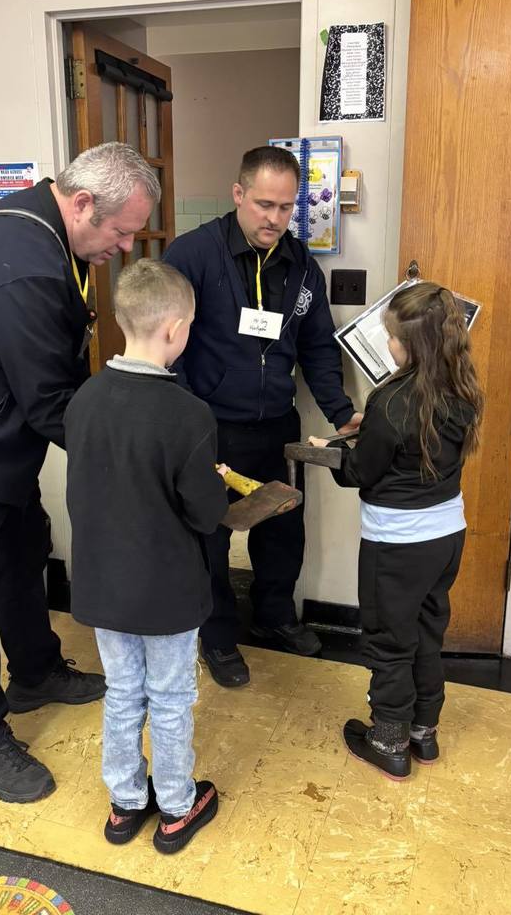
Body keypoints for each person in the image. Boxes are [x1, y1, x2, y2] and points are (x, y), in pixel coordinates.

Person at [0, 142, 159, 804]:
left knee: (22, 551)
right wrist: (134, 457)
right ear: (82, 203)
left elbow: (51, 379)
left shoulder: (45, 236)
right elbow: (50, 401)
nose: (125, 248)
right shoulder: (24, 264)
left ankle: (36, 672)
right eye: (121, 231)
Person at [163, 145, 362, 688]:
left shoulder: (301, 266)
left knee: (282, 528)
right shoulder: (192, 255)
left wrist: (341, 413)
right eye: (264, 204)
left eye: (285, 207)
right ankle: (218, 636)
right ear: (238, 194)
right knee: (209, 536)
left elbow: (318, 347)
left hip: (276, 424)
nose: (274, 218)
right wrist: (185, 420)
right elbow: (167, 344)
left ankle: (274, 616)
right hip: (210, 429)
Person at [65, 259, 228, 854]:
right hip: (167, 593)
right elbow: (204, 514)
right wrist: (212, 482)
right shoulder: (188, 413)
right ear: (175, 329)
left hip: (103, 586)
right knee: (171, 698)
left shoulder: (83, 400)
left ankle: (125, 803)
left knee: (123, 692)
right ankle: (178, 808)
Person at [309, 282, 484, 779]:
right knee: (427, 630)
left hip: (396, 544)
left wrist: (333, 450)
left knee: (389, 639)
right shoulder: (463, 388)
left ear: (411, 344)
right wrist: (371, 431)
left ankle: (388, 741)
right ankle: (423, 732)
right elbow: (409, 446)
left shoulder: (389, 401)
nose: (387, 343)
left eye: (392, 336)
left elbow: (361, 472)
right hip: (446, 536)